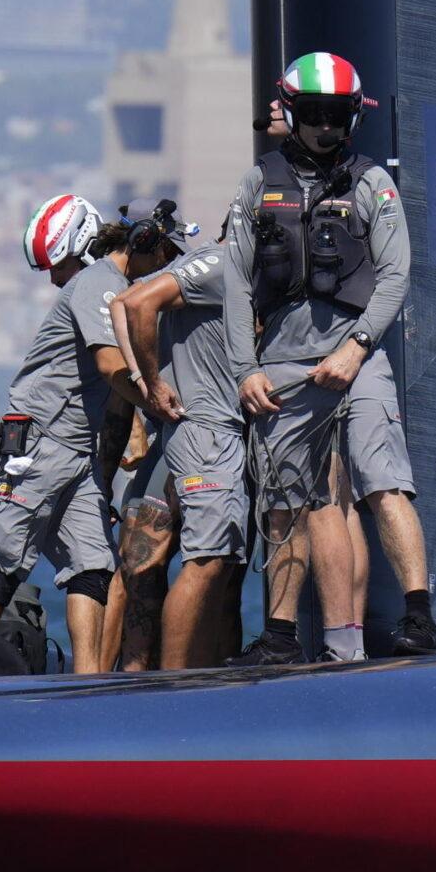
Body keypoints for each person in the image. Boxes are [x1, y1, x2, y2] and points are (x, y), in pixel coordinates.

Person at [227, 52, 436, 664]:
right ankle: (280, 635)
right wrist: (247, 369)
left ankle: (419, 614)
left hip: (359, 352)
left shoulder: (374, 183)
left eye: (339, 116)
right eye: (315, 114)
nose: (327, 127)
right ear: (292, 113)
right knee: (284, 496)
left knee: (383, 479)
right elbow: (239, 287)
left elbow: (397, 274)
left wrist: (357, 347)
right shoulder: (257, 184)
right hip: (283, 363)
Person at [0, 193, 163, 671]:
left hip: (78, 450)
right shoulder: (97, 282)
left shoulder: (103, 282)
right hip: (42, 441)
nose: (54, 278)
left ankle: (85, 682)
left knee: (92, 566)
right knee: (3, 561)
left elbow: (110, 380)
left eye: (59, 264)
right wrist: (161, 404)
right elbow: (110, 364)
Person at [117, 218, 257, 669]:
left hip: (201, 433)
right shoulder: (222, 263)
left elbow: (122, 303)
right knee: (207, 561)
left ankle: (185, 678)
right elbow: (135, 302)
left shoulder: (212, 265)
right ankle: (175, 686)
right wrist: (151, 384)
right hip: (207, 432)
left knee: (216, 565)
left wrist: (147, 382)